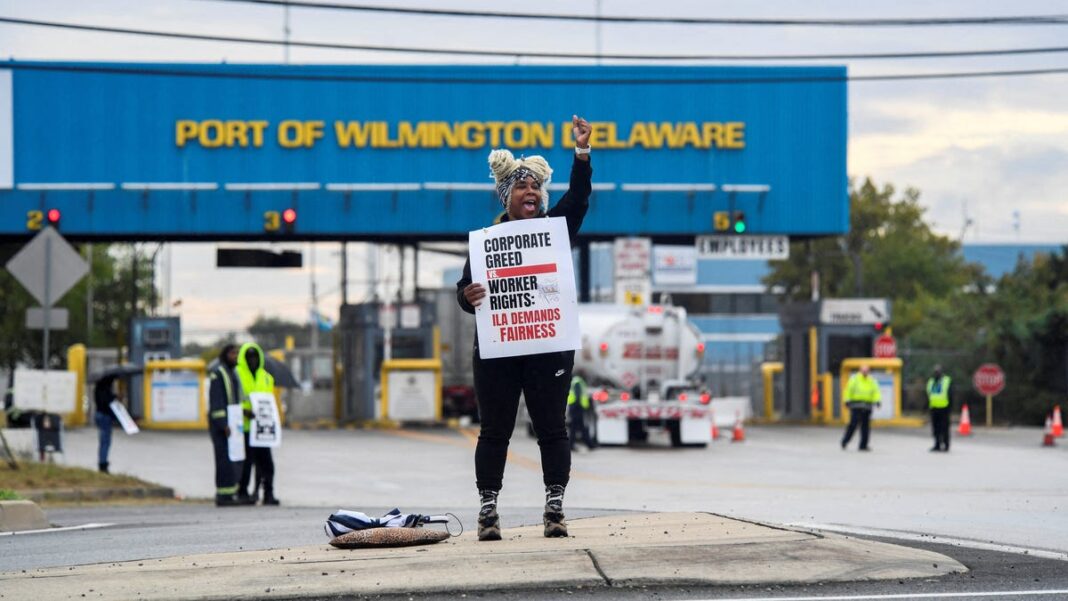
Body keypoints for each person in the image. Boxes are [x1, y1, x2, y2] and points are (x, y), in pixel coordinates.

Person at [456, 114, 593, 541]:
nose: (530, 191)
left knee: (552, 427)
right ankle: (488, 509)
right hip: (498, 350)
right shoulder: (486, 241)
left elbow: (581, 195)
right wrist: (468, 296)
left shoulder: (555, 230)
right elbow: (464, 288)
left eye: (535, 185)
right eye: (521, 185)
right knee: (494, 430)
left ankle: (555, 507)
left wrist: (582, 151)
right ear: (506, 197)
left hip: (548, 347)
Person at [235, 342, 279, 506]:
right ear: (244, 358)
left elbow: (270, 402)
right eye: (249, 357)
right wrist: (243, 411)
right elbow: (233, 401)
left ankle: (268, 493)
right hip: (245, 427)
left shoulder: (267, 377)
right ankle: (243, 492)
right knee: (246, 464)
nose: (252, 360)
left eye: (255, 356)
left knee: (267, 464)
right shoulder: (236, 375)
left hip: (262, 429)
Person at [208, 344, 244, 506]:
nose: (235, 357)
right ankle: (222, 496)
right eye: (232, 354)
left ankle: (230, 494)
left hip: (232, 425)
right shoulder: (218, 374)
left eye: (237, 354)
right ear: (224, 355)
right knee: (223, 461)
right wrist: (223, 424)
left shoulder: (232, 374)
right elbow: (216, 402)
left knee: (232, 461)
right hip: (221, 427)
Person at [840, 364, 881, 451]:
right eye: (863, 370)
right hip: (856, 405)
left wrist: (878, 401)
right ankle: (845, 441)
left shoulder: (872, 380)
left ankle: (863, 445)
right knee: (853, 425)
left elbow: (876, 391)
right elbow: (848, 390)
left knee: (865, 426)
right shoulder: (854, 379)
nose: (865, 372)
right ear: (860, 370)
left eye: (867, 370)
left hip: (867, 406)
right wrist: (847, 400)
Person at [93, 375, 119, 473]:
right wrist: (114, 397)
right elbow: (108, 403)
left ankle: (102, 461)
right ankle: (103, 463)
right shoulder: (105, 390)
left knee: (103, 440)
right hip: (105, 416)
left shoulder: (98, 388)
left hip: (99, 414)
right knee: (105, 441)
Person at [926, 364, 952, 452]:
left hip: (944, 408)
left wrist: (950, 407)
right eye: (935, 372)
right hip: (934, 408)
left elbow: (951, 394)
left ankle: (946, 445)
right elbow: (929, 394)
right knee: (935, 428)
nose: (937, 373)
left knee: (944, 428)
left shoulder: (946, 380)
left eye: (938, 371)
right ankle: (937, 444)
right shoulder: (931, 381)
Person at [567, 372, 595, 452]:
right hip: (577, 407)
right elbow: (578, 395)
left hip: (574, 407)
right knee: (578, 427)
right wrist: (579, 406)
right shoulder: (578, 381)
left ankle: (572, 444)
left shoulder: (575, 381)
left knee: (575, 427)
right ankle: (589, 444)